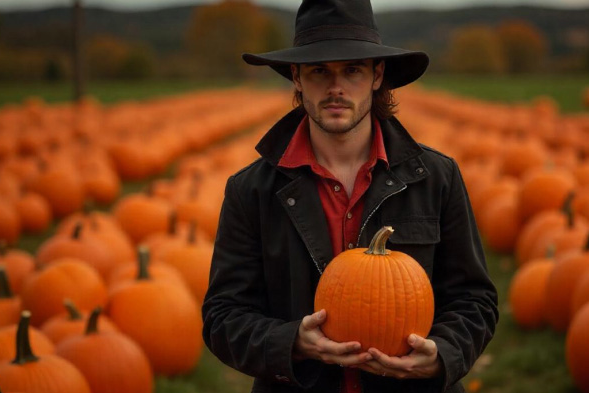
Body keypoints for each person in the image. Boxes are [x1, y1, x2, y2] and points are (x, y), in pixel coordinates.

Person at [201, 0, 498, 392]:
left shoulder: (435, 178)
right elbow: (223, 317)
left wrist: (443, 353)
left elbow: (474, 300)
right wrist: (292, 343)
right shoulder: (251, 191)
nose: (335, 87)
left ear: (377, 76)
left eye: (352, 70)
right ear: (296, 77)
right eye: (319, 71)